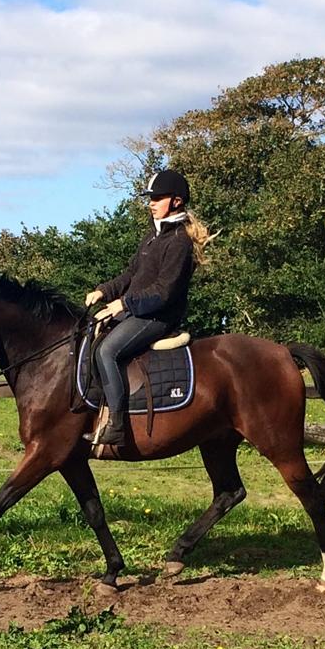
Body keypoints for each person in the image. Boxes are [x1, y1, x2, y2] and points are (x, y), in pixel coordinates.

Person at [84, 168, 210, 445]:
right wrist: (104, 290)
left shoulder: (179, 242)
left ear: (176, 201)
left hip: (158, 317)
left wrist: (122, 303)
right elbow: (132, 275)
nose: (151, 203)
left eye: (157, 198)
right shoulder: (153, 235)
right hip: (138, 311)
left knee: (108, 351)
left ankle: (117, 426)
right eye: (150, 198)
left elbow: (164, 292)